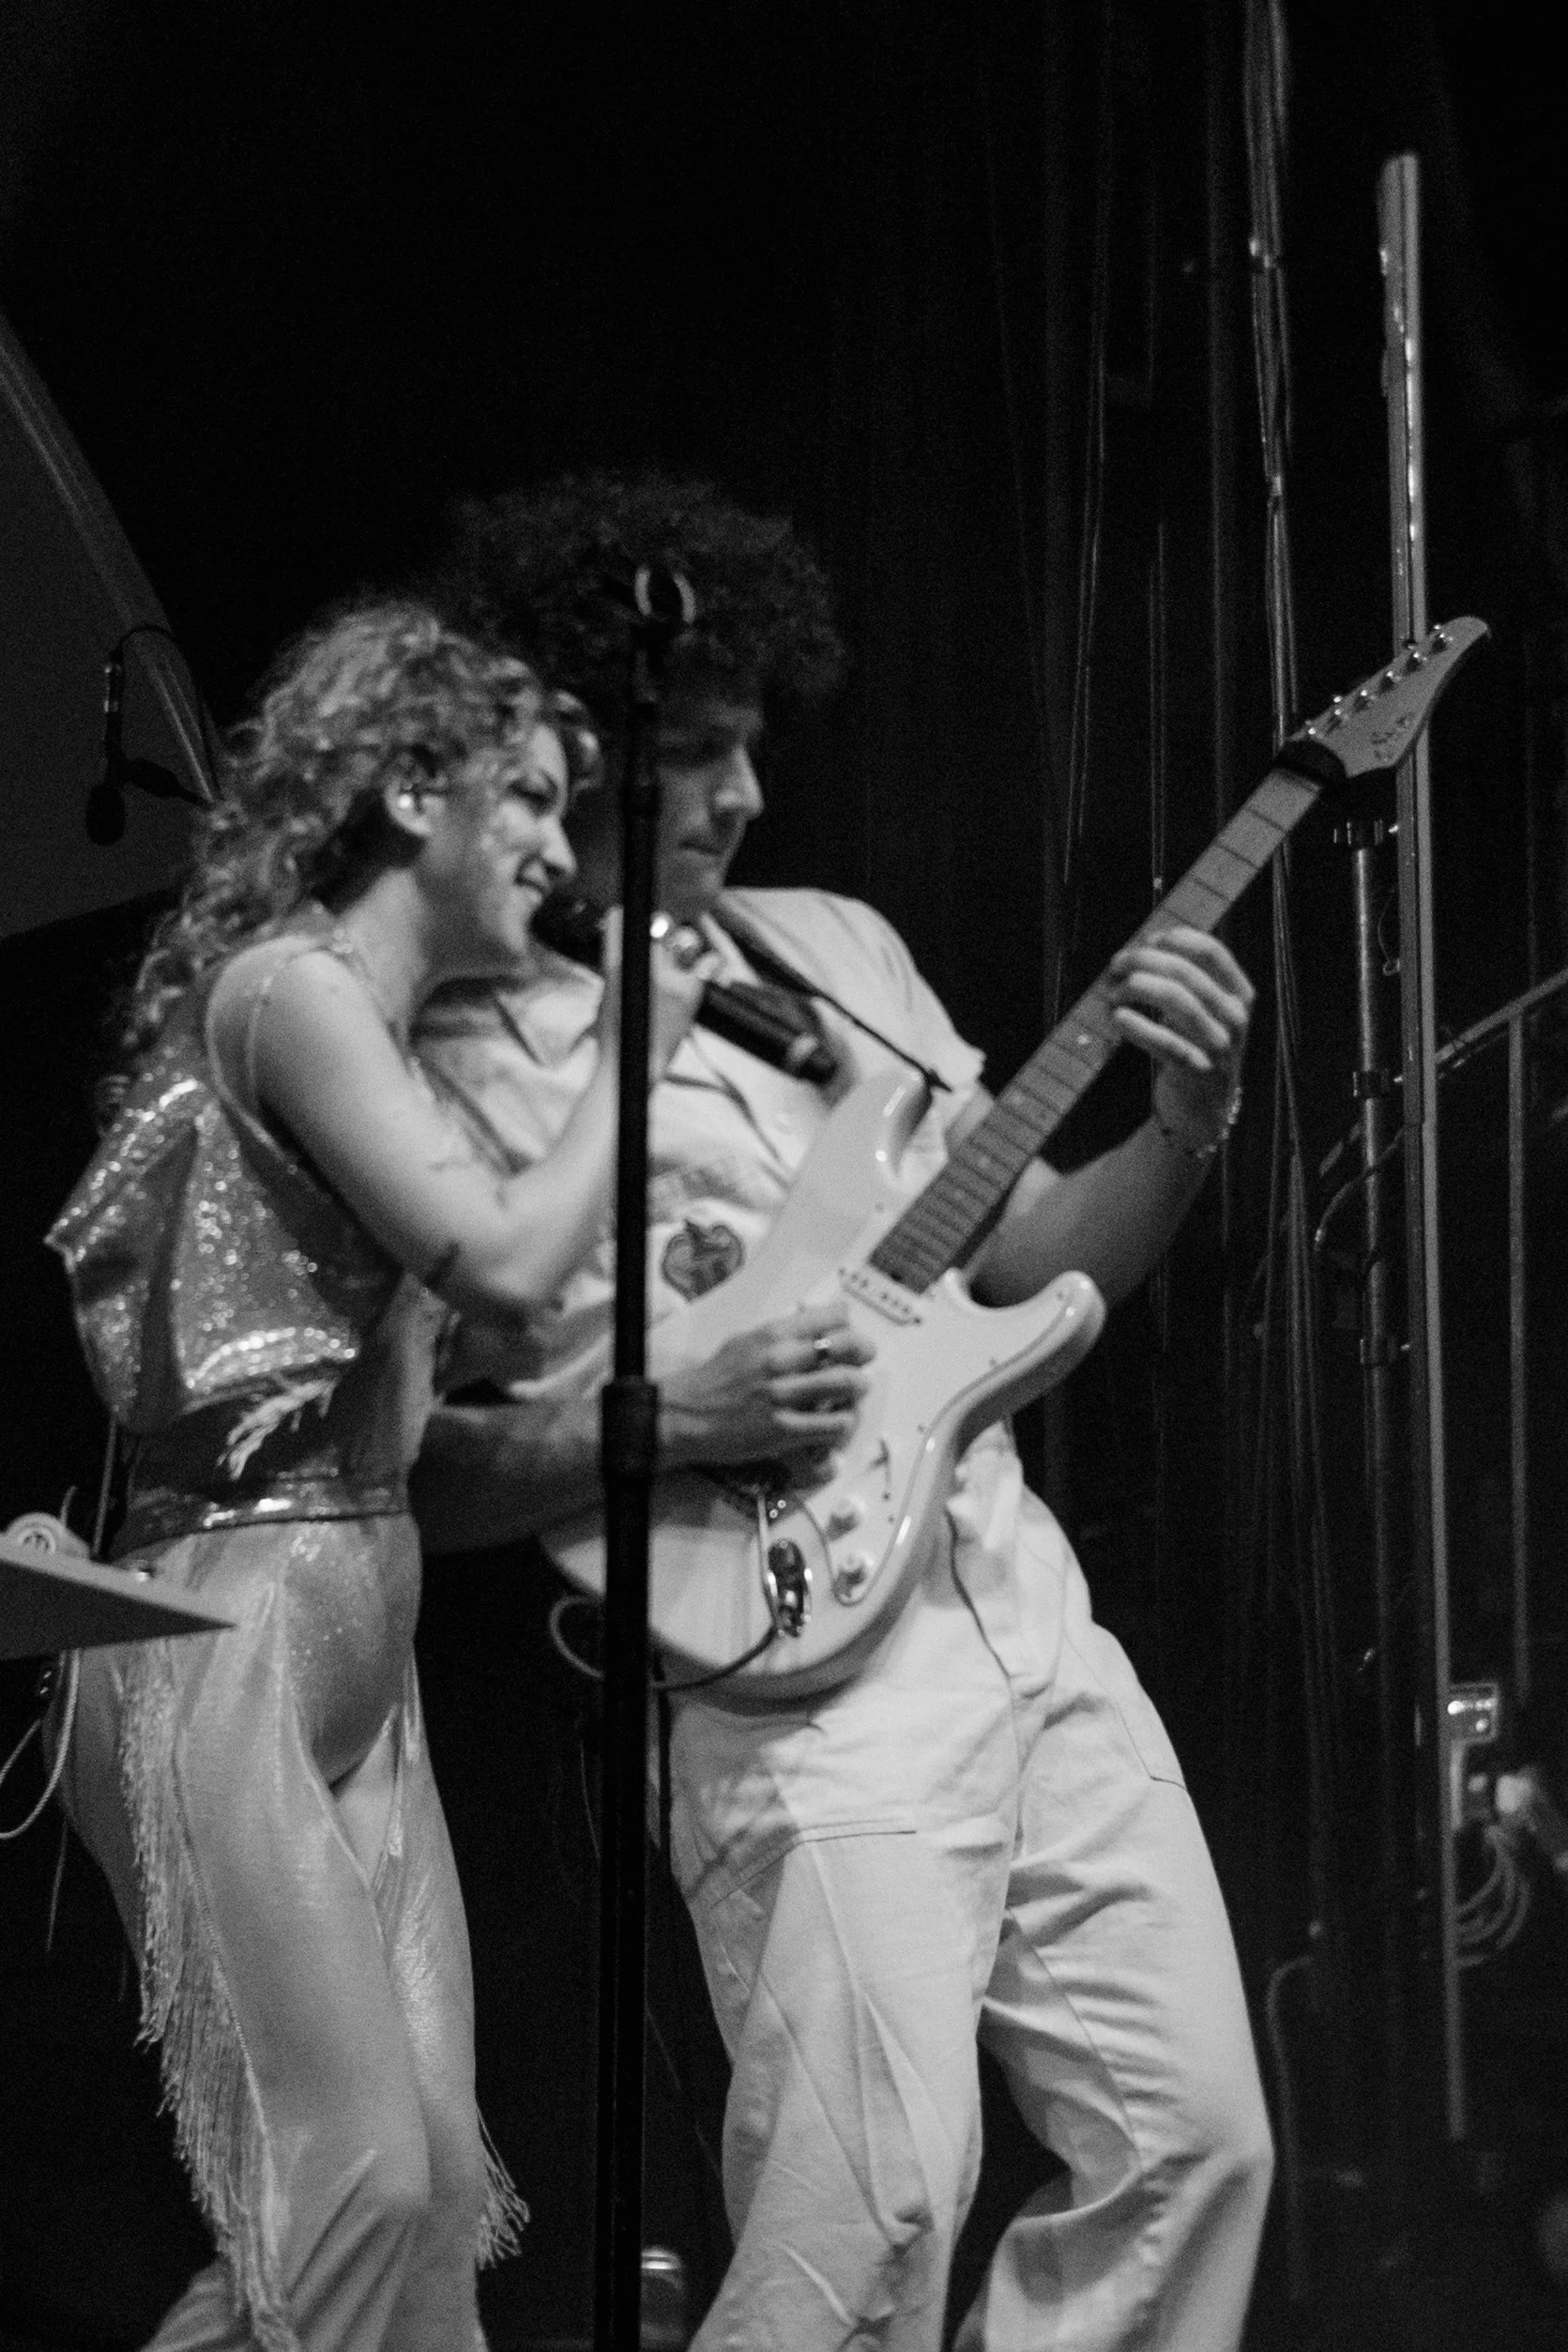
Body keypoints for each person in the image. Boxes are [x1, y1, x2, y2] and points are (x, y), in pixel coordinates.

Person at [411, 476, 1274, 2352]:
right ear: (573, 753)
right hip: (791, 1677)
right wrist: (672, 1415)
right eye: (698, 756)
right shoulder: (458, 1043)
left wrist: (1185, 1122)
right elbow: (410, 1473)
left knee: (1192, 2145)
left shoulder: (833, 953)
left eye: (754, 748)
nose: (744, 797)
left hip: (1015, 1604)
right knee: (865, 2221)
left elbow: (1025, 1257)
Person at [44, 601, 706, 2352]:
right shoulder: (290, 988)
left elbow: (435, 1378)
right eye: (532, 798)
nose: (560, 848)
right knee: (353, 2181)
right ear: (413, 789)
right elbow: (506, 1257)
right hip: (228, 1636)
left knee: (419, 2196)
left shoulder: (379, 1053)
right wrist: (629, 1055)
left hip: (359, 1642)